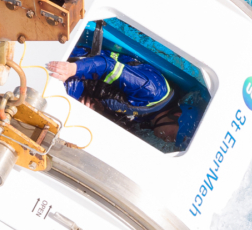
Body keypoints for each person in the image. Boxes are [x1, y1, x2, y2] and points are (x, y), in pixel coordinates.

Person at [46, 22, 181, 142]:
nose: (169, 141)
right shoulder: (152, 90)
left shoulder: (148, 118)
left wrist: (98, 110)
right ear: (177, 116)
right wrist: (72, 69)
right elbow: (107, 66)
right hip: (81, 64)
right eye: (175, 136)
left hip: (84, 88)